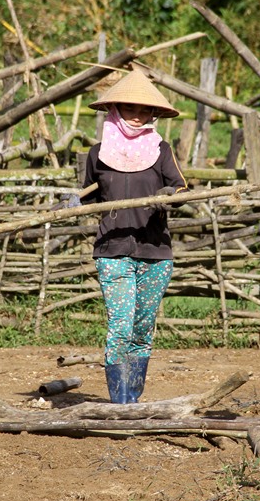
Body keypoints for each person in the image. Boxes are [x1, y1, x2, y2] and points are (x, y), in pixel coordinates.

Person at [71, 69, 188, 404]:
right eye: (130, 109)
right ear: (115, 111)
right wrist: (73, 199)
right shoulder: (99, 153)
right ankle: (120, 402)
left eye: (144, 111)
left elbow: (180, 187)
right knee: (120, 327)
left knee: (141, 328)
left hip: (155, 251)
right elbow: (91, 197)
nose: (137, 117)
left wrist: (168, 193)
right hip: (112, 249)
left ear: (153, 114)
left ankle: (132, 399)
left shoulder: (161, 150)